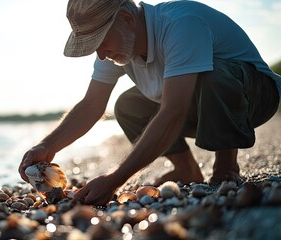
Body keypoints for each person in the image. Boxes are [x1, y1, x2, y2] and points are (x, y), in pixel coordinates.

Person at [18, 0, 281, 206]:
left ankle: (226, 167)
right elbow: (91, 105)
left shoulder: (180, 25)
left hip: (254, 96)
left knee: (212, 75)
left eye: (100, 40)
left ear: (126, 18)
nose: (99, 53)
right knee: (127, 104)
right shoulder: (118, 46)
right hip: (201, 106)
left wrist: (114, 180)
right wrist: (46, 145)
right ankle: (186, 169)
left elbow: (173, 112)